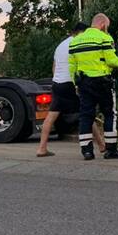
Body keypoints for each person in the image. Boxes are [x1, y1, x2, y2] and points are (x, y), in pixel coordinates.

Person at [35, 22, 106, 157]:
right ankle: (101, 145)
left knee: (51, 116)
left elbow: (54, 67)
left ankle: (42, 148)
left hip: (57, 83)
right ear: (81, 32)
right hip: (71, 84)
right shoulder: (79, 43)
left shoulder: (60, 46)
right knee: (87, 113)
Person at [68, 13, 118, 160]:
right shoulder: (105, 38)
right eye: (107, 26)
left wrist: (76, 84)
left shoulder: (75, 41)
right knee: (109, 114)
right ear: (103, 24)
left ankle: (87, 151)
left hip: (84, 83)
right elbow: (111, 61)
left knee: (86, 116)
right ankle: (111, 150)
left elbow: (72, 66)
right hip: (103, 82)